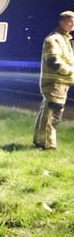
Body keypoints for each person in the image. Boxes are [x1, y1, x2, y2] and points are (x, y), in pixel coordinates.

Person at [33, 10, 74, 150]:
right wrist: (71, 71)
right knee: (53, 115)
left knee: (47, 113)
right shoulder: (54, 39)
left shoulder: (65, 39)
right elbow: (54, 62)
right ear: (61, 22)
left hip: (60, 82)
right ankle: (48, 145)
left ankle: (40, 141)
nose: (73, 24)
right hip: (55, 83)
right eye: (70, 21)